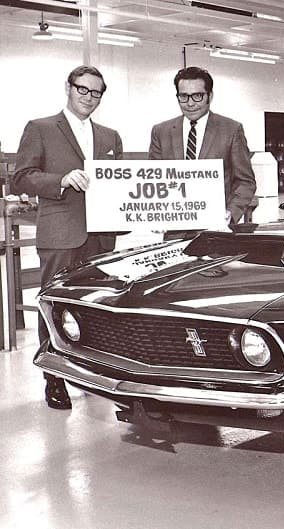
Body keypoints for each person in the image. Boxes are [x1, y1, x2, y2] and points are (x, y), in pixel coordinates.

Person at [13, 65, 123, 410]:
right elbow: (22, 177)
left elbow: (120, 183)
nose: (89, 97)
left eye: (96, 92)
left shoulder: (110, 136)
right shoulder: (41, 128)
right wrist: (60, 180)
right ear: (68, 87)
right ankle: (54, 378)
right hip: (60, 233)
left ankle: (92, 372)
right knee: (54, 306)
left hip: (101, 237)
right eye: (83, 89)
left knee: (97, 307)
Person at [148, 66, 256, 237]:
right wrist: (155, 214)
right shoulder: (160, 131)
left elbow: (245, 182)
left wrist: (231, 213)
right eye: (183, 96)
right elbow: (153, 180)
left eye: (197, 96)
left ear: (209, 96)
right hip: (174, 234)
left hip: (216, 232)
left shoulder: (231, 130)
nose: (190, 103)